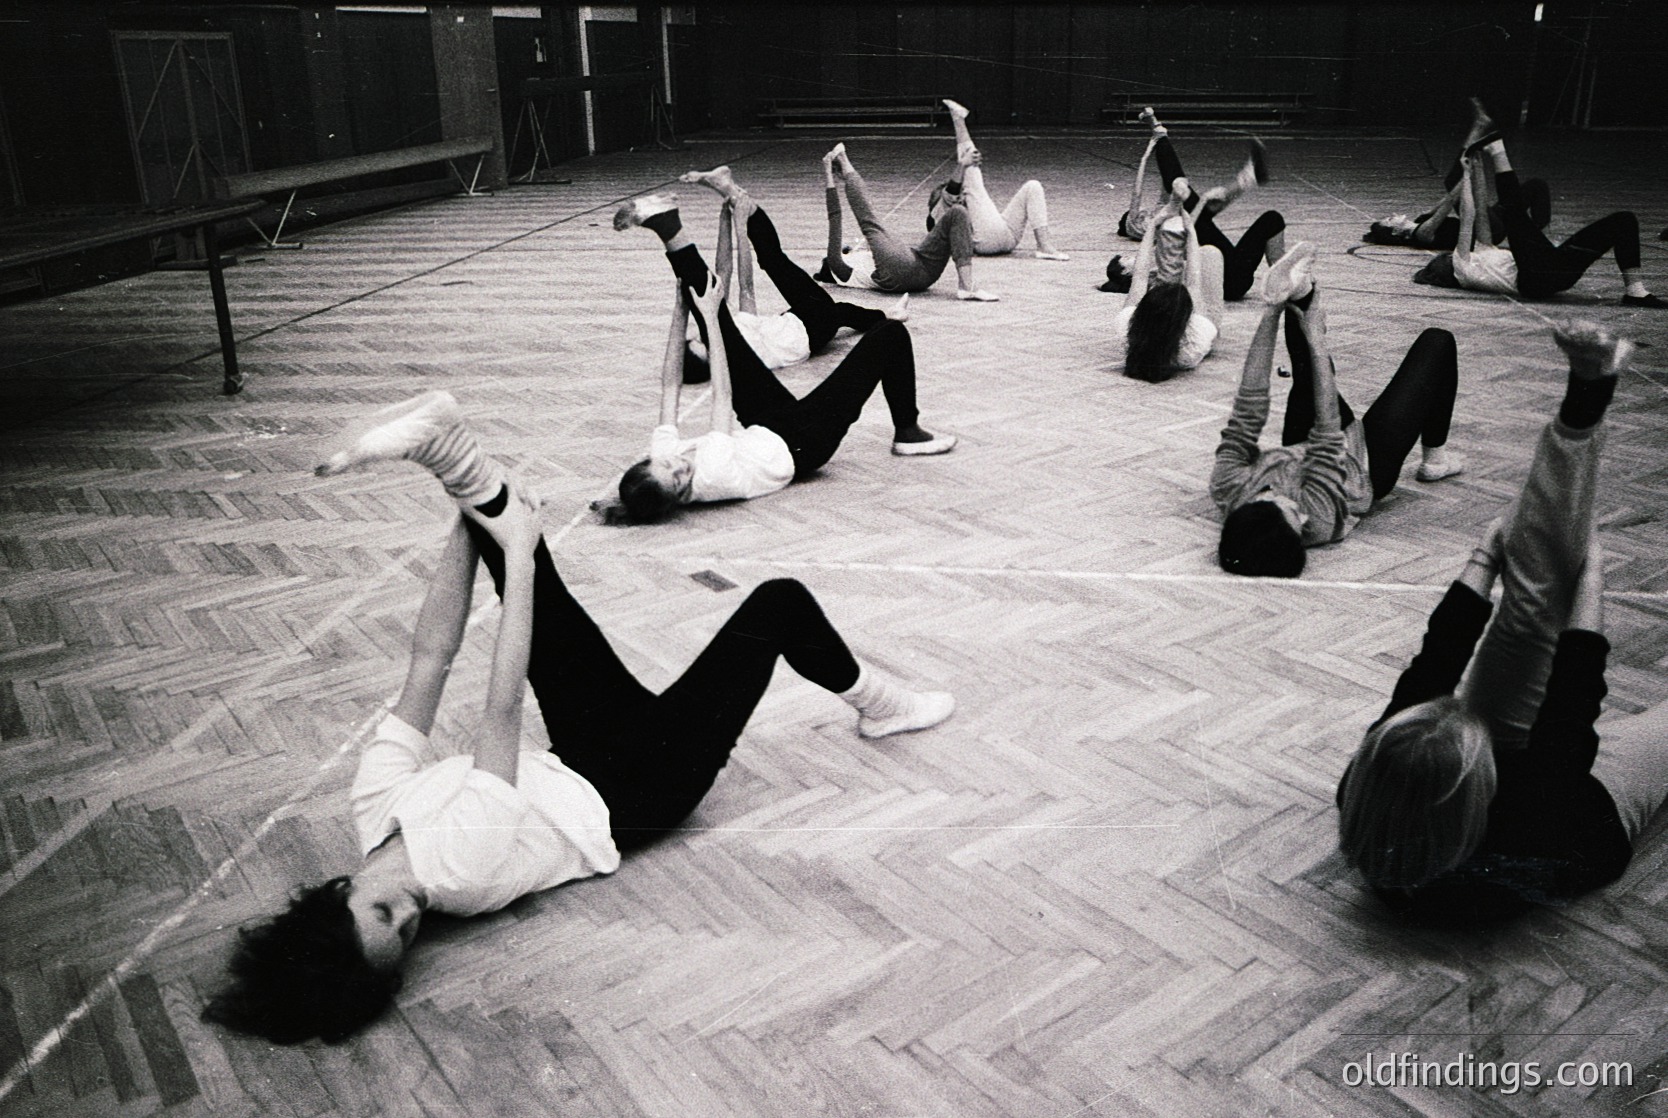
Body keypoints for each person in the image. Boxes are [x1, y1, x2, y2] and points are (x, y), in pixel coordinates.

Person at [203, 394, 956, 1043]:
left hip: (580, 754)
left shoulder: (372, 807)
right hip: (642, 792)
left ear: (336, 895)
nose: (414, 919)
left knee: (500, 543)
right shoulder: (456, 867)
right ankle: (883, 709)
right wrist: (520, 559)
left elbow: (428, 661)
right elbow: (501, 707)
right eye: (407, 938)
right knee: (777, 604)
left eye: (386, 914)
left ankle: (450, 461)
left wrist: (465, 530)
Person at [1336, 322, 1663, 924]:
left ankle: (1581, 409)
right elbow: (1571, 706)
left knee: (1529, 607)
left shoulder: (1378, 776)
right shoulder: (1534, 828)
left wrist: (1483, 560)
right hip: (1587, 813)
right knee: (1545, 621)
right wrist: (1590, 587)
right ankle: (1581, 410)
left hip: (1493, 788)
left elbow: (1430, 669)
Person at [605, 193, 957, 525]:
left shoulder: (662, 453)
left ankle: (669, 228)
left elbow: (670, 385)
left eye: (670, 466)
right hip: (804, 442)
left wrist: (681, 310)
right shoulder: (712, 475)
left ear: (650, 459)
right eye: (681, 483)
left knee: (715, 316)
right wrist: (709, 317)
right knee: (891, 334)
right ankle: (907, 432)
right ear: (680, 499)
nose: (683, 467)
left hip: (764, 422)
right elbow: (723, 395)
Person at [1212, 244, 1465, 577]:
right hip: (1362, 464)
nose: (1302, 521)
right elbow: (1328, 433)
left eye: (1292, 514)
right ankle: (1435, 460)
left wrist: (1269, 313)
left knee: (1300, 343)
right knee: (1438, 342)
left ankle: (1293, 292)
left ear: (1257, 502)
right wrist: (1317, 340)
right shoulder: (1316, 517)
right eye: (1301, 528)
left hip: (1302, 448)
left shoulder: (1228, 485)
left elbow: (1249, 405)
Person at [1420, 99, 1664, 307]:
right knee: (1513, 214)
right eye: (1442, 258)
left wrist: (1476, 170)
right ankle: (1497, 150)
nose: (1446, 255)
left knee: (1623, 220)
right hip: (1533, 280)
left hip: (1556, 272)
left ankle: (1635, 291)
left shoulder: (1482, 252)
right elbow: (1468, 217)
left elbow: (1480, 215)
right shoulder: (1462, 268)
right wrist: (1464, 176)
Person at [673, 166, 905, 384]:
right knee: (828, 305)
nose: (702, 336)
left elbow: (723, 272)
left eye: (697, 338)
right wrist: (740, 225)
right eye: (703, 343)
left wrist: (725, 219)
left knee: (780, 266)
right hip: (813, 330)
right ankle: (887, 316)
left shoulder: (719, 334)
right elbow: (746, 286)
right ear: (712, 361)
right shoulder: (739, 350)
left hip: (794, 318)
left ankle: (728, 190)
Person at [1107, 108, 1283, 302]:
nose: (1131, 256)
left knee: (1272, 219)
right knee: (1186, 197)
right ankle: (1245, 178)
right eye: (1126, 259)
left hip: (1234, 273)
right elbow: (1189, 233)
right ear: (1126, 272)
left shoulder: (1154, 261)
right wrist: (1202, 200)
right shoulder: (1153, 279)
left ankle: (1283, 281)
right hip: (1226, 281)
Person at [814, 143, 998, 301]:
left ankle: (966, 286)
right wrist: (828, 176)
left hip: (924, 270)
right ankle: (845, 161)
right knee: (869, 221)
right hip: (897, 275)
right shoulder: (837, 267)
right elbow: (835, 217)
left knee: (957, 212)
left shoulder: (859, 261)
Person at [924, 98, 1067, 260]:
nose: (962, 196)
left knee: (1033, 186)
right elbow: (952, 188)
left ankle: (1044, 246)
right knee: (971, 175)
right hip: (984, 242)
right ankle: (958, 120)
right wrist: (963, 164)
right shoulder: (941, 209)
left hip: (1010, 237)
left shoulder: (966, 209)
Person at [1113, 183, 1223, 382]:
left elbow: (1139, 276)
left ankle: (1174, 206)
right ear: (1185, 318)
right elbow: (1193, 284)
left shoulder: (1127, 328)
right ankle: (1178, 208)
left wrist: (1154, 224)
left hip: (1173, 326)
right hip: (1207, 329)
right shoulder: (1196, 341)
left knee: (1180, 267)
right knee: (1211, 253)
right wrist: (1191, 231)